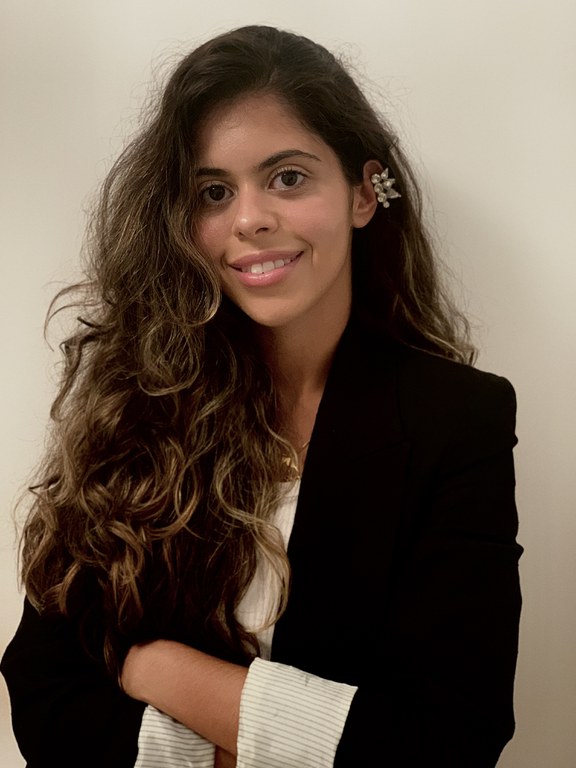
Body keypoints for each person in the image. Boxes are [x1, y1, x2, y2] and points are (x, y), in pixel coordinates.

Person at [1, 25, 522, 768]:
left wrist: (160, 669)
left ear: (363, 193)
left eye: (288, 177)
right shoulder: (136, 400)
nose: (249, 220)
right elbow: (45, 693)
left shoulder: (458, 419)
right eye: (214, 192)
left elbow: (449, 740)